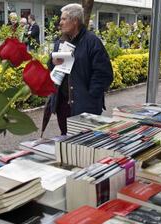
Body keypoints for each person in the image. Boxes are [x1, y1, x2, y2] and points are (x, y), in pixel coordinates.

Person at [47, 3, 113, 135]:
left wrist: (90, 97)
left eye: (64, 19)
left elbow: (104, 74)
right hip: (63, 105)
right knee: (66, 141)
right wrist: (52, 61)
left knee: (83, 145)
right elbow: (53, 68)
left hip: (84, 107)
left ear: (75, 21)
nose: (60, 23)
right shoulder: (60, 42)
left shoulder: (92, 41)